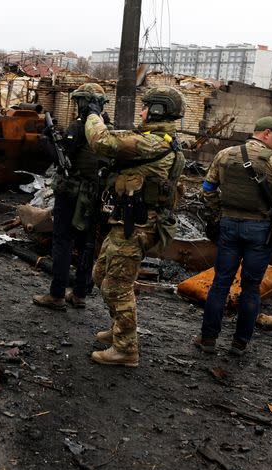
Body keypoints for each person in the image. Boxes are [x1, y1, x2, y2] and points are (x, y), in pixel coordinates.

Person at [82, 86, 187, 367]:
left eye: (146, 106)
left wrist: (94, 115)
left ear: (156, 110)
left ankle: (126, 348)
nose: (141, 111)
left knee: (117, 285)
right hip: (128, 223)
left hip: (137, 226)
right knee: (101, 273)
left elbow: (102, 142)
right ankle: (120, 330)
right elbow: (119, 139)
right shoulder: (153, 139)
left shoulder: (155, 143)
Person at [195, 117, 272, 356]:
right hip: (259, 230)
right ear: (266, 133)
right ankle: (239, 344)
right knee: (251, 287)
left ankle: (208, 339)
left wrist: (219, 213)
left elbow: (208, 189)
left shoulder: (225, 154)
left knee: (220, 282)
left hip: (229, 226)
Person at [33, 83, 110, 311]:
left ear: (84, 103)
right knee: (87, 242)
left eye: (79, 102)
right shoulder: (105, 128)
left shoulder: (79, 127)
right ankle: (79, 294)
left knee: (63, 240)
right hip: (94, 193)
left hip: (72, 193)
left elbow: (61, 159)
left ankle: (56, 294)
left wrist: (46, 140)